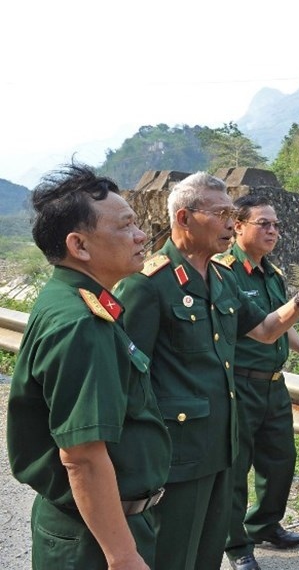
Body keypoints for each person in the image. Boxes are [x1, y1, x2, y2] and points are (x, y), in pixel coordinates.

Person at [114, 172, 299, 570]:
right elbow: (126, 381)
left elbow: (267, 330)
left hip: (221, 443)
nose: (228, 222)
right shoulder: (147, 285)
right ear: (184, 218)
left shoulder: (221, 280)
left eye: (231, 212)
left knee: (206, 553)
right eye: (220, 213)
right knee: (172, 552)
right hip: (175, 457)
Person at [6, 162, 172, 569]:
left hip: (96, 525)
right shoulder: (82, 324)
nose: (141, 235)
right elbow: (81, 456)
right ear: (79, 246)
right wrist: (123, 556)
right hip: (95, 540)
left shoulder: (75, 300)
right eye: (125, 227)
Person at [219, 194, 299, 570]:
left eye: (276, 225)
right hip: (238, 384)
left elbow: (278, 322)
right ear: (237, 226)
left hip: (273, 384)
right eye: (263, 224)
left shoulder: (272, 273)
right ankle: (237, 546)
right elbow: (261, 328)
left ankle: (264, 525)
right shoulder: (223, 272)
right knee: (236, 469)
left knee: (281, 460)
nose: (273, 231)